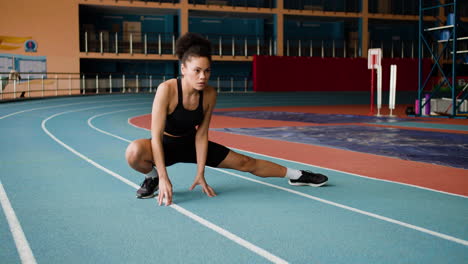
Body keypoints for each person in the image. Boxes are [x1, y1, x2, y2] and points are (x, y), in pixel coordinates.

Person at [125, 32, 328, 206]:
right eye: (197, 71)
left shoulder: (210, 94)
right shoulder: (167, 90)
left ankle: (297, 175)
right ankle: (151, 178)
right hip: (166, 144)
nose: (203, 76)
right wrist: (163, 176)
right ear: (184, 69)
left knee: (245, 162)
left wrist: (200, 172)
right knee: (134, 151)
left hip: (191, 143)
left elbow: (202, 135)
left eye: (207, 71)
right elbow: (156, 137)